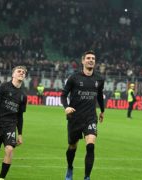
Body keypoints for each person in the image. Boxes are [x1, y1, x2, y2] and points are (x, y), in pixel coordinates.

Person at [61, 50, 105, 180]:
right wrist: (66, 107)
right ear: (83, 61)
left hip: (90, 117)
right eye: (88, 58)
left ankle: (87, 177)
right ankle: (70, 167)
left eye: (93, 58)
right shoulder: (74, 78)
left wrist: (102, 111)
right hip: (74, 117)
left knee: (90, 146)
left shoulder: (99, 79)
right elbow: (63, 95)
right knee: (72, 146)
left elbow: (99, 96)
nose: (91, 60)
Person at [0, 66, 27, 180]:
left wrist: (20, 134)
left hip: (10, 126)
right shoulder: (3, 87)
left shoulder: (23, 95)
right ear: (13, 74)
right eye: (19, 71)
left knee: (9, 149)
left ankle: (1, 178)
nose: (21, 73)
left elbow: (20, 116)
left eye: (23, 72)